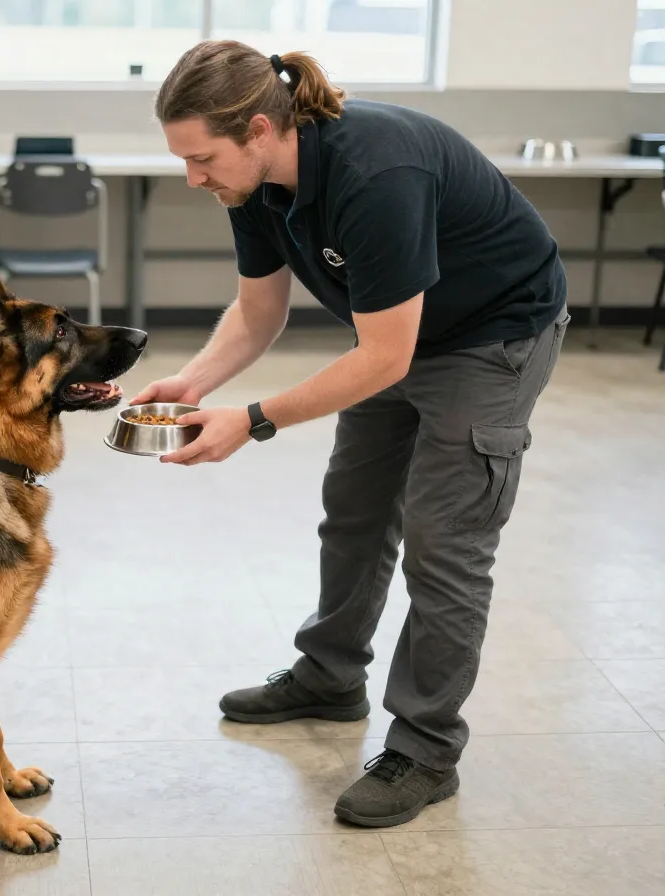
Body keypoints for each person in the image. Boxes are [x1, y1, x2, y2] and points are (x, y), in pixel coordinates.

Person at [131, 40, 570, 828]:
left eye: (201, 158)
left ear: (259, 129)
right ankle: (330, 676)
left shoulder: (375, 173)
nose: (192, 179)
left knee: (447, 544)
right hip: (400, 335)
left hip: (494, 335)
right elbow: (261, 312)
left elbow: (385, 356)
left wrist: (254, 420)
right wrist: (197, 383)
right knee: (356, 511)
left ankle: (427, 751)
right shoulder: (256, 187)